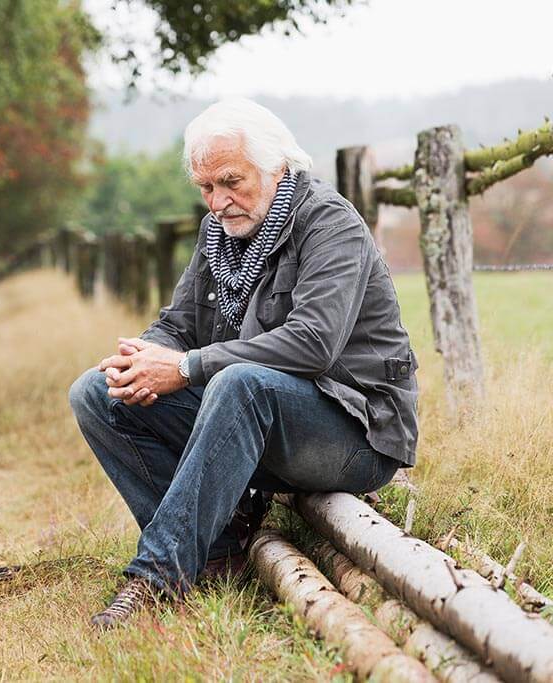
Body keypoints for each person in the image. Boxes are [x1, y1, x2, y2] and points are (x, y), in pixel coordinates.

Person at [68, 98, 419, 630]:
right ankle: (221, 549)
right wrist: (139, 360)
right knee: (95, 393)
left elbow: (312, 343)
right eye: (206, 188)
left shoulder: (329, 223)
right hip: (266, 425)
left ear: (277, 166)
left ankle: (157, 578)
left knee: (240, 383)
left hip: (355, 433)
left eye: (231, 181)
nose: (218, 201)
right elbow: (177, 325)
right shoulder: (220, 235)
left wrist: (185, 368)